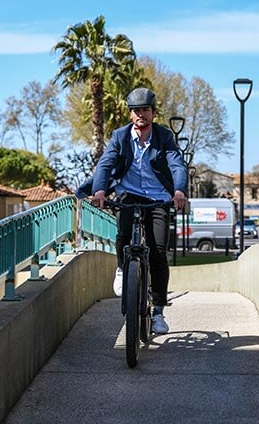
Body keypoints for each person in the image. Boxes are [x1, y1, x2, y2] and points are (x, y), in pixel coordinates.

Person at [78, 87, 188, 335]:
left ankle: (158, 311)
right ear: (130, 114)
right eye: (136, 110)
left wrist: (179, 191)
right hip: (128, 194)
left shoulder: (163, 136)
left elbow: (177, 164)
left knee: (159, 252)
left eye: (145, 110)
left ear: (153, 113)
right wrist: (99, 191)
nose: (141, 115)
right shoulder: (120, 137)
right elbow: (105, 164)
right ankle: (121, 268)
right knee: (123, 234)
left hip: (158, 198)